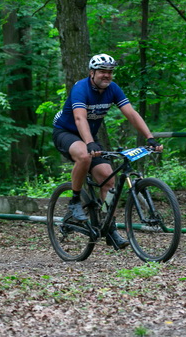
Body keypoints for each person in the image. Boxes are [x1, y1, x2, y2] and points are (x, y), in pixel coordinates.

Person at [52, 54, 163, 249]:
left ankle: (109, 227)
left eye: (110, 72)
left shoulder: (113, 89)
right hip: (66, 132)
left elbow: (131, 113)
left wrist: (150, 137)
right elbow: (79, 119)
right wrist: (89, 143)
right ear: (92, 73)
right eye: (102, 71)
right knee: (84, 155)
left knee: (108, 179)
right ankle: (75, 201)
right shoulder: (81, 88)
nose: (107, 75)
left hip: (88, 136)